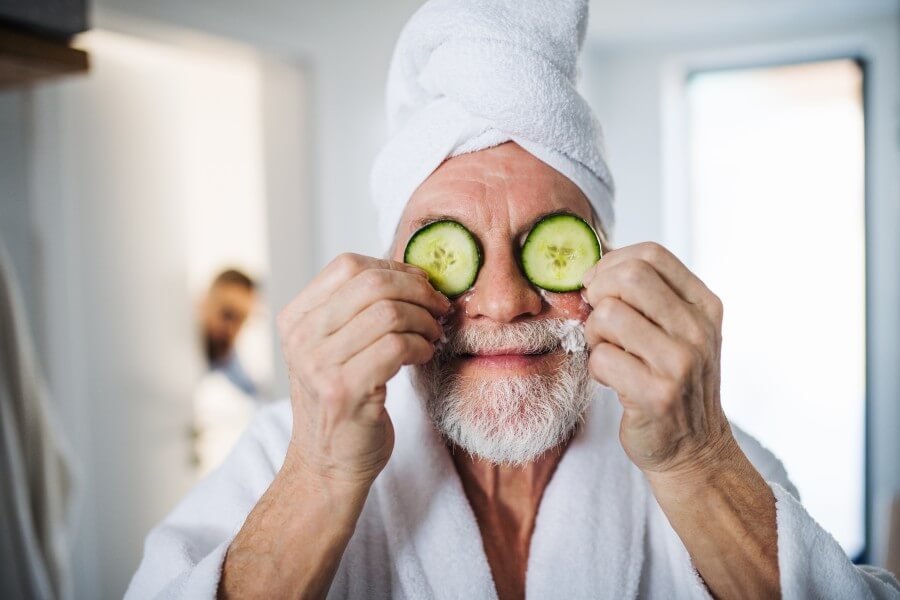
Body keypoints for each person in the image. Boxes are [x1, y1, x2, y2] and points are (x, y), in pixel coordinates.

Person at [127, 1, 900, 598]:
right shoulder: (283, 454)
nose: (502, 299)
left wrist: (698, 460)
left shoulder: (698, 446)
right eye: (450, 249)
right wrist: (322, 474)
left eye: (549, 246)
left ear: (606, 261)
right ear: (384, 272)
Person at [199, 269, 259, 397]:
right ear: (204, 303)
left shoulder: (227, 357)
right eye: (228, 315)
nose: (231, 329)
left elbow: (254, 393)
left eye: (240, 321)